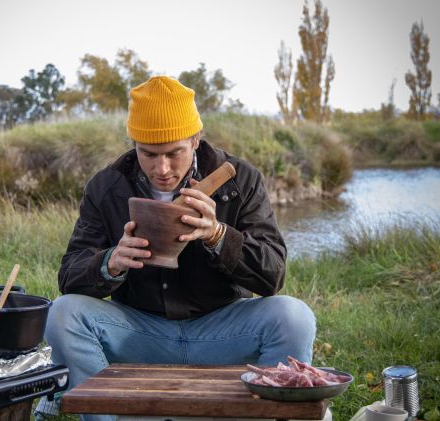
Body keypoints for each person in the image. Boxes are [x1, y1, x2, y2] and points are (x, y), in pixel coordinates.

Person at [35, 76, 316, 421]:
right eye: (148, 154)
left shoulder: (240, 180)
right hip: (141, 333)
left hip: (223, 330)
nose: (162, 169)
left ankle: (258, 414)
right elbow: (70, 276)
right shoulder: (106, 186)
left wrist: (217, 235)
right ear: (134, 143)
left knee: (294, 316)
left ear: (196, 139)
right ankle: (113, 417)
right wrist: (111, 263)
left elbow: (273, 275)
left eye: (174, 153)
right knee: (62, 313)